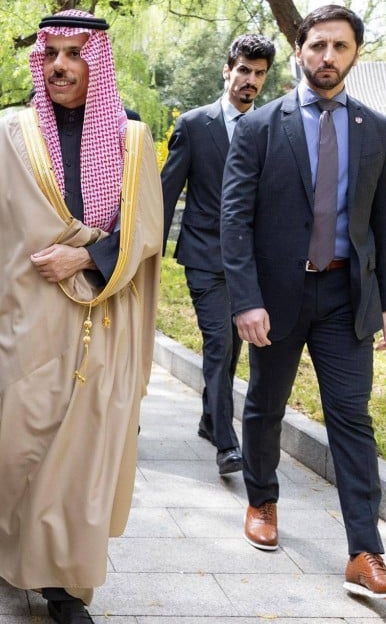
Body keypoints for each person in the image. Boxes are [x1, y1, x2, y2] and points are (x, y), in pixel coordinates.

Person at [0, 9, 162, 623]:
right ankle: (0, 536)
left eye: (75, 53)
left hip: (101, 324)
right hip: (18, 324)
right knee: (8, 445)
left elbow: (146, 229)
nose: (61, 65)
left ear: (97, 62)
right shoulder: (8, 134)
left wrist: (85, 254)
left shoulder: (132, 139)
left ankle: (63, 586)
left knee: (81, 460)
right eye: (52, 55)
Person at [221, 5, 386, 600]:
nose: (328, 57)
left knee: (352, 418)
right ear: (300, 49)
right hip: (275, 298)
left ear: (355, 54)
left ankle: (365, 553)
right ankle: (262, 500)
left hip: (344, 295)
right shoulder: (259, 126)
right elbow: (234, 218)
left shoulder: (375, 128)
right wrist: (246, 299)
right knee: (265, 403)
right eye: (318, 45)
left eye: (341, 47)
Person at [160, 34, 275, 475]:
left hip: (251, 263)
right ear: (227, 70)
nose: (249, 81)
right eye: (243, 70)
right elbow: (168, 191)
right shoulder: (194, 124)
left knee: (232, 352)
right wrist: (146, 249)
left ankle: (211, 420)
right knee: (219, 343)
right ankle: (227, 444)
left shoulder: (268, 127)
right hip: (205, 256)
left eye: (259, 74)